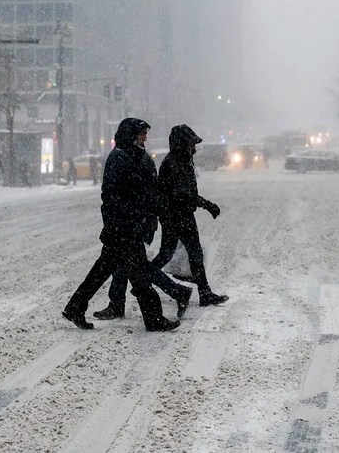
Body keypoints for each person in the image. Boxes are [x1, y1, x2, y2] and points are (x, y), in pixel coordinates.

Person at [62, 118, 180, 332]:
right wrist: (122, 221)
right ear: (132, 134)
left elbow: (147, 191)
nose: (145, 137)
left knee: (103, 270)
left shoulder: (137, 156)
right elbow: (111, 195)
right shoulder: (119, 158)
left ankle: (75, 306)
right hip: (124, 229)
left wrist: (151, 215)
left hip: (129, 228)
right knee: (140, 274)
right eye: (142, 133)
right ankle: (153, 319)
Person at [148, 125, 228, 307]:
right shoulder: (174, 163)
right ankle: (144, 281)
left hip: (178, 215)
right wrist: (207, 204)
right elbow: (183, 194)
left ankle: (204, 292)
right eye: (192, 144)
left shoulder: (182, 160)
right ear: (182, 144)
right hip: (177, 216)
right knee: (184, 254)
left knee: (186, 254)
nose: (195, 148)